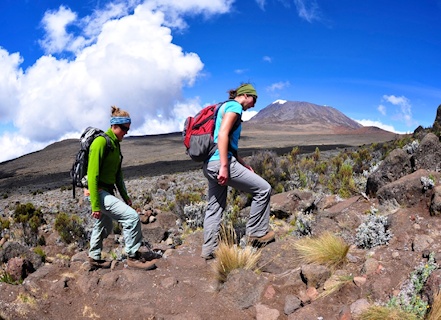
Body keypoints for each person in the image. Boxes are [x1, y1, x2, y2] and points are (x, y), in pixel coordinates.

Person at [201, 83, 274, 260]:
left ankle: (208, 250)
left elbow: (230, 145)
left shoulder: (223, 106)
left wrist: (242, 163)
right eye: (254, 100)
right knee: (263, 189)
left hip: (210, 163)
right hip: (221, 163)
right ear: (246, 95)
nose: (254, 105)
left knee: (215, 206)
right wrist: (225, 166)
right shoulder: (234, 106)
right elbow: (223, 135)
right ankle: (257, 232)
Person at [87, 106, 158, 270]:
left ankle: (94, 257)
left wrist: (125, 196)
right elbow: (92, 175)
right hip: (97, 192)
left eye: (128, 129)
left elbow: (118, 175)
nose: (126, 132)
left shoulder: (115, 145)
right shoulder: (100, 142)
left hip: (106, 191)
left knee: (103, 224)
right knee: (132, 218)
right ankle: (132, 256)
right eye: (124, 128)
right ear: (114, 126)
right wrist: (95, 205)